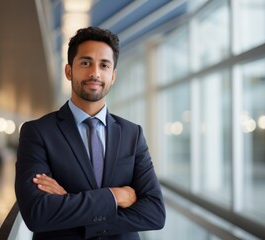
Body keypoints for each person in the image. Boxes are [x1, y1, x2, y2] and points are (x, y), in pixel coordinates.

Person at [15, 26, 165, 240]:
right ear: (69, 71)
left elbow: (155, 213)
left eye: (104, 65)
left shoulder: (132, 133)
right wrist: (115, 196)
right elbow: (37, 213)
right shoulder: (38, 132)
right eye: (85, 63)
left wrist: (69, 201)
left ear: (112, 76)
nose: (95, 72)